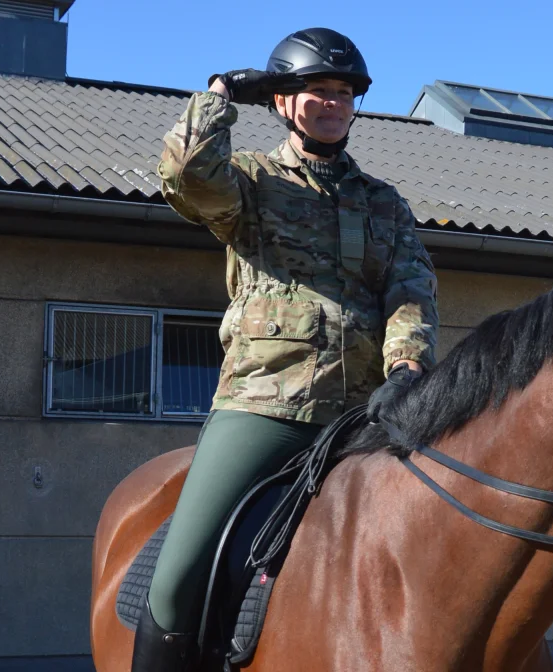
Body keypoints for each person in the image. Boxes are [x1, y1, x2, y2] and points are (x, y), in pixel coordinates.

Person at [131, 27, 440, 671]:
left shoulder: (385, 204)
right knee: (179, 574)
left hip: (365, 410)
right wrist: (218, 96)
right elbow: (186, 176)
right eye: (314, 91)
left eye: (342, 92)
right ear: (281, 100)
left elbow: (410, 292)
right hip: (265, 405)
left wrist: (406, 367)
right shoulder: (249, 182)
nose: (331, 103)